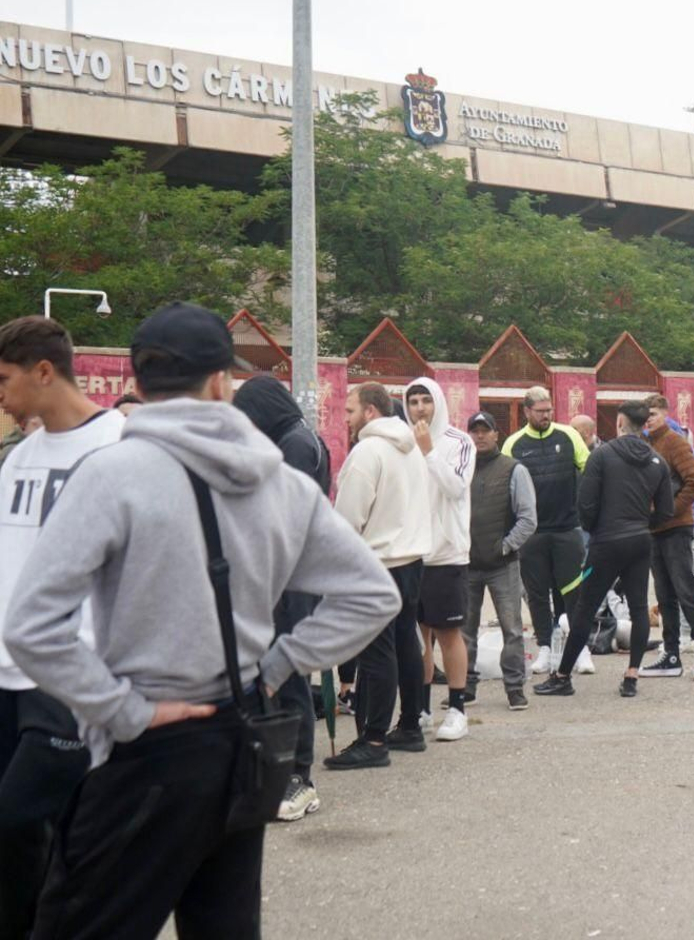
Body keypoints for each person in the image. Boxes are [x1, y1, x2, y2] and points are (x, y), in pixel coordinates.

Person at [4, 302, 398, 938]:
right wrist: (278, 664)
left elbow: (30, 626)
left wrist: (120, 708)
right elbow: (373, 594)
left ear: (138, 382)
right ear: (222, 382)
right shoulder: (280, 483)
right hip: (243, 735)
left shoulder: (110, 474)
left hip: (146, 741)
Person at [0, 316, 125, 932]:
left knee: (19, 819)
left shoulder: (119, 447)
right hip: (7, 674)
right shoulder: (19, 458)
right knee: (21, 840)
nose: (0, 395)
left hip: (72, 675)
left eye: (4, 379)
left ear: (44, 372)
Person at [233, 374, 332, 822]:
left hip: (291, 579)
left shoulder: (295, 445)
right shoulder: (298, 439)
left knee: (288, 675)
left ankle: (299, 776)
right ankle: (279, 768)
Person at [326, 381, 434, 770]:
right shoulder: (412, 448)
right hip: (410, 559)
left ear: (370, 411)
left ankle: (373, 739)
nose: (346, 418)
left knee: (376, 652)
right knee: (405, 643)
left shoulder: (367, 451)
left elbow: (348, 518)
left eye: (350, 410)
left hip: (377, 562)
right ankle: (410, 725)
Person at [534, 401, 672, 699]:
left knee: (585, 607)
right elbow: (666, 511)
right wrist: (642, 524)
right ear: (644, 425)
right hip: (640, 540)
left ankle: (562, 677)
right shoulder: (657, 461)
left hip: (606, 541)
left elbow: (585, 502)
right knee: (638, 607)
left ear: (620, 422)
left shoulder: (602, 455)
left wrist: (596, 528)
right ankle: (632, 675)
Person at [401, 378, 475, 744]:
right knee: (419, 639)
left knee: (448, 633)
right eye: (413, 401)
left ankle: (458, 709)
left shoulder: (459, 442)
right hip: (411, 552)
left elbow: (456, 488)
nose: (419, 408)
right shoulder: (401, 442)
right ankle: (422, 709)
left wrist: (429, 452)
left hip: (447, 553)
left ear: (439, 403)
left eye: (425, 401)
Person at [502, 385, 592, 676]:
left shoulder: (569, 435)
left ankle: (581, 648)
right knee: (537, 593)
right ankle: (544, 646)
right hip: (532, 533)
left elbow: (591, 471)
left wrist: (590, 512)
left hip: (567, 528)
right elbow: (505, 488)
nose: (546, 415)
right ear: (526, 411)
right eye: (540, 411)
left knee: (573, 591)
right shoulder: (513, 444)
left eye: (549, 410)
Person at [463, 412, 537, 710]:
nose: (480, 436)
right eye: (475, 430)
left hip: (502, 565)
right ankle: (464, 688)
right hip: (466, 564)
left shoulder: (514, 469)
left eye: (485, 430)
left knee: (512, 629)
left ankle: (515, 688)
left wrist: (505, 547)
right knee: (464, 631)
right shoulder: (460, 469)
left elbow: (528, 518)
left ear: (496, 434)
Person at [638, 395, 694, 682]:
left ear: (665, 414)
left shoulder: (675, 442)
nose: (648, 419)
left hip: (677, 528)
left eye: (653, 414)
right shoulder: (644, 444)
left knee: (686, 590)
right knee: (663, 594)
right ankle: (671, 654)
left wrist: (670, 510)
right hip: (653, 530)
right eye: (645, 415)